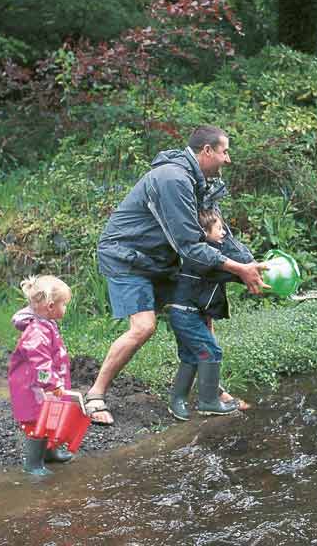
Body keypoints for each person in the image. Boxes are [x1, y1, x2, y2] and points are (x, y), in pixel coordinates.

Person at [90, 125, 268, 425]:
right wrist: (238, 270)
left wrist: (254, 267)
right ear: (207, 151)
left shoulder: (199, 182)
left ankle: (211, 391)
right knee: (143, 327)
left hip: (158, 258)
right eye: (225, 152)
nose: (228, 159)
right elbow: (190, 246)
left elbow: (222, 237)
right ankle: (95, 395)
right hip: (127, 256)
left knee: (200, 315)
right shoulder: (173, 179)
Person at [167, 208, 255, 420]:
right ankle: (208, 402)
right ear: (204, 233)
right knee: (210, 352)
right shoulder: (206, 258)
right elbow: (243, 260)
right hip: (185, 314)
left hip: (186, 314)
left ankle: (177, 400)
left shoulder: (209, 254)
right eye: (219, 229)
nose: (224, 233)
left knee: (190, 356)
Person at [8, 275, 75, 476]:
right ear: (51, 306)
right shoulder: (37, 331)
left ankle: (50, 452)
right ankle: (33, 464)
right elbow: (40, 363)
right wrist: (52, 383)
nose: (65, 308)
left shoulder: (47, 324)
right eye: (64, 304)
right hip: (33, 387)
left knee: (51, 416)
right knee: (36, 421)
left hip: (47, 385)